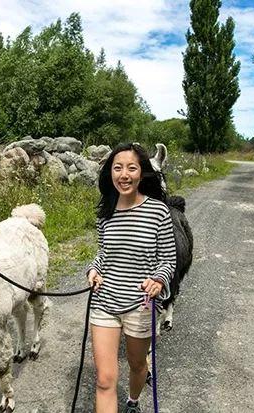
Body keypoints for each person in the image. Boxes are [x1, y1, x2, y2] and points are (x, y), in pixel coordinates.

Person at [87, 142, 176, 413]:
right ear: (110, 174)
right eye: (117, 168)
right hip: (104, 302)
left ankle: (133, 400)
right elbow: (104, 253)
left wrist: (158, 280)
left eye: (131, 168)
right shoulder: (106, 215)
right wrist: (93, 269)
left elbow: (168, 260)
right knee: (104, 380)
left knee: (137, 365)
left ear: (141, 174)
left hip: (141, 304)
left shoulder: (159, 212)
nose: (124, 174)